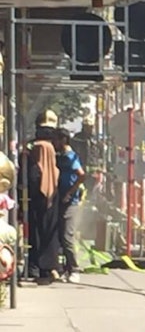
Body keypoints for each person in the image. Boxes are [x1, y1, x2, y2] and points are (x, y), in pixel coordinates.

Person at [19, 110, 61, 285]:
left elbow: (32, 177)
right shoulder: (49, 148)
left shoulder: (37, 148)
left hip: (37, 200)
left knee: (37, 234)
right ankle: (46, 268)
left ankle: (38, 268)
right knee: (46, 235)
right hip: (50, 197)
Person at [54, 128, 85, 283]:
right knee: (61, 235)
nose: (55, 143)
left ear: (63, 140)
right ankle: (65, 269)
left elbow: (81, 174)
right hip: (60, 200)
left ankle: (74, 268)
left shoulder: (71, 157)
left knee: (67, 236)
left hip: (70, 202)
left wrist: (70, 193)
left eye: (57, 140)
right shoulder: (60, 157)